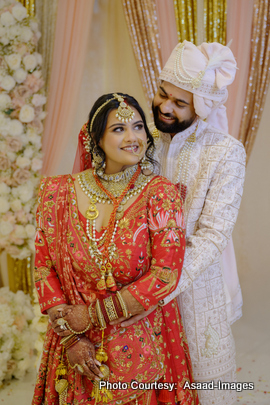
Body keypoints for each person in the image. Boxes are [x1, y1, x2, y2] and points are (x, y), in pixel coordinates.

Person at [32, 92, 200, 405]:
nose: (133, 137)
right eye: (119, 129)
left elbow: (165, 274)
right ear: (96, 138)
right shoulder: (56, 192)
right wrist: (71, 337)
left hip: (138, 339)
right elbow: (44, 267)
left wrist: (93, 315)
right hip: (74, 345)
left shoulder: (161, 194)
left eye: (138, 127)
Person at [122, 41, 246, 405]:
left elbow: (213, 235)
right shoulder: (140, 141)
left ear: (202, 107)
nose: (164, 107)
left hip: (196, 289)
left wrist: (158, 289)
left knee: (208, 389)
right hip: (134, 286)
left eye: (180, 103)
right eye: (162, 94)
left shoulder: (225, 152)